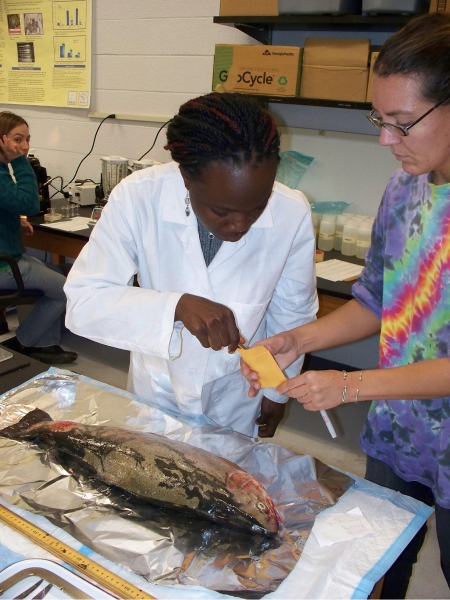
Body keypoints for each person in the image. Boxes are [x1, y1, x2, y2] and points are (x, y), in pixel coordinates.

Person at [241, 12, 450, 599]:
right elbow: (380, 301)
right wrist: (298, 341)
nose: (386, 140)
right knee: (382, 562)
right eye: (379, 120)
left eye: (403, 123)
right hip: (399, 431)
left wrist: (351, 388)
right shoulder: (405, 189)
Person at [64, 92, 318, 438]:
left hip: (237, 393)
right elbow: (84, 301)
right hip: (157, 387)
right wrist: (176, 307)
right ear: (186, 176)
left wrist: (276, 391)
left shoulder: (292, 211)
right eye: (222, 211)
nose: (241, 225)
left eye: (257, 206)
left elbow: (293, 313)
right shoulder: (139, 196)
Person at [0, 111, 77, 364]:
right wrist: (21, 162)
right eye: (17, 140)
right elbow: (31, 203)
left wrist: (14, 219)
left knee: (57, 274)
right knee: (65, 290)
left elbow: (12, 204)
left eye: (27, 139)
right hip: (4, 264)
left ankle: (46, 343)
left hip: (10, 256)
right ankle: (23, 342)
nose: (24, 146)